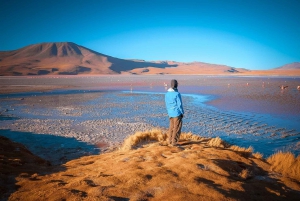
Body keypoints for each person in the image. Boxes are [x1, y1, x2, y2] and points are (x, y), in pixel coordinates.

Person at [165, 79, 184, 146]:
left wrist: (169, 112)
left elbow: (167, 104)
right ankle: (174, 142)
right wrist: (182, 113)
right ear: (176, 85)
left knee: (171, 127)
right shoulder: (177, 94)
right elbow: (179, 105)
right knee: (177, 127)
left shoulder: (167, 94)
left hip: (170, 113)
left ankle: (170, 141)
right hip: (177, 113)